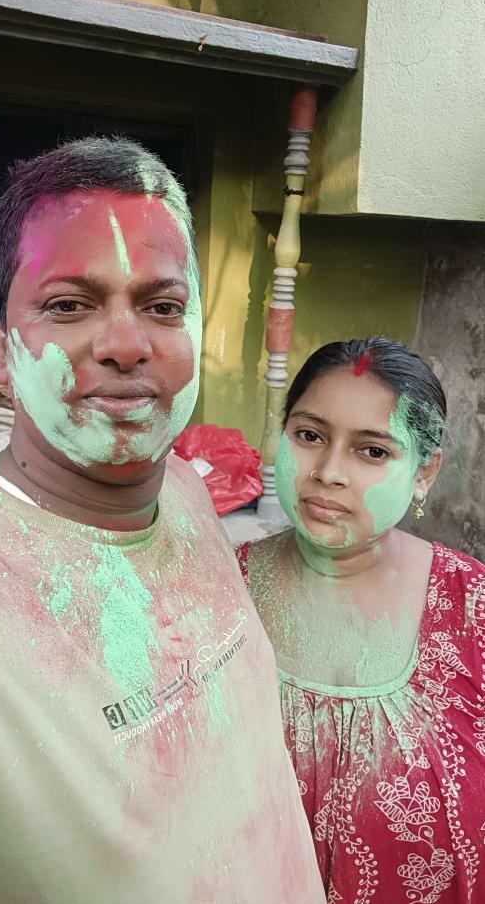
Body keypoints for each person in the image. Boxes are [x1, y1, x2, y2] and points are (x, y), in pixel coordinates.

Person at [0, 138, 325, 903]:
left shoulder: (185, 494)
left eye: (161, 306)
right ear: (2, 347)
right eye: (69, 305)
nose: (127, 346)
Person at [238, 338, 485, 904]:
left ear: (425, 472)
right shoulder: (221, 594)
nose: (328, 472)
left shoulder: (472, 608)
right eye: (309, 436)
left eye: (372, 451)